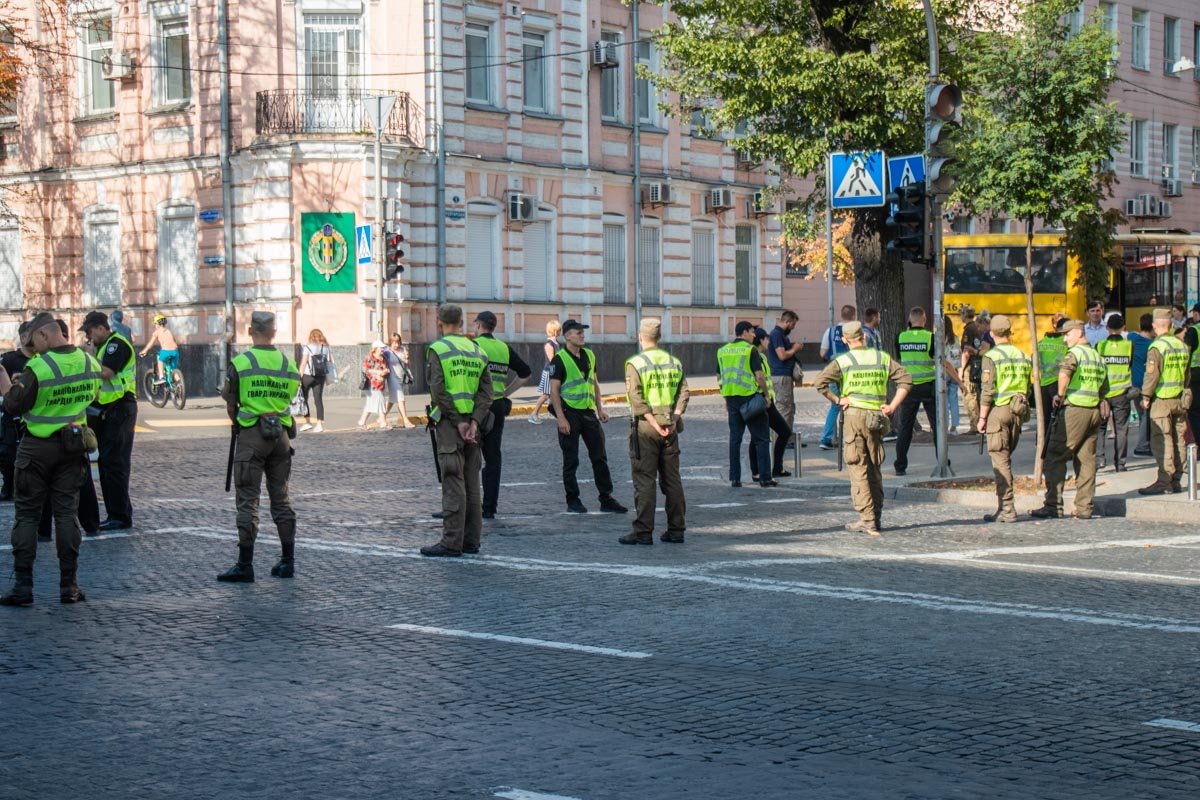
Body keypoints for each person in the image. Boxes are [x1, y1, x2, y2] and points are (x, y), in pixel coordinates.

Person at [0, 312, 101, 606]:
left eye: (34, 343)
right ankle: (69, 586)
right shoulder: (88, 361)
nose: (32, 349)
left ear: (45, 335)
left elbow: (14, 405)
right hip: (73, 446)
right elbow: (91, 395)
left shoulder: (39, 367)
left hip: (37, 448)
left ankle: (23, 587)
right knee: (67, 514)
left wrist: (9, 387)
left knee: (28, 515)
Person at [217, 311, 301, 582]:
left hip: (252, 436)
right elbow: (289, 396)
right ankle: (287, 561)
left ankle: (245, 565)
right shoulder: (288, 365)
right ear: (274, 333)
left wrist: (241, 422)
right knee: (281, 499)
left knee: (248, 501)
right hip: (281, 437)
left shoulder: (241, 363)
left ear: (251, 331)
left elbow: (231, 403)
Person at [814, 321, 912, 535]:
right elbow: (906, 380)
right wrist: (892, 406)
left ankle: (867, 519)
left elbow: (820, 383)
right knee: (875, 468)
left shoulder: (843, 360)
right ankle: (876, 516)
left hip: (854, 417)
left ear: (844, 340)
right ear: (864, 337)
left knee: (858, 466)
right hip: (877, 417)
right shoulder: (881, 357)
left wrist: (838, 399)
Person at [420, 304, 492, 557]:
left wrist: (459, 422)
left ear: (439, 321)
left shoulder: (438, 349)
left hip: (451, 426)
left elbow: (438, 390)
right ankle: (471, 541)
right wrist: (474, 421)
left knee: (454, 482)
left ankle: (451, 542)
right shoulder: (476, 350)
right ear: (462, 322)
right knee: (472, 486)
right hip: (474, 427)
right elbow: (486, 393)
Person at [620, 318, 690, 545]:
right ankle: (677, 530)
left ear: (640, 337)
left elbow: (636, 400)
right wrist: (673, 419)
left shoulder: (635, 363)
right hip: (671, 427)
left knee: (645, 480)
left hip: (646, 428)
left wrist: (655, 423)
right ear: (659, 337)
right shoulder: (674, 361)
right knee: (672, 481)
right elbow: (684, 394)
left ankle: (643, 532)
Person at [1032, 320, 1109, 520]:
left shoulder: (1075, 354)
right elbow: (1104, 386)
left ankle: (1053, 505)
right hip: (1093, 411)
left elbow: (1064, 374)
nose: (1065, 338)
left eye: (1067, 334)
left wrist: (1059, 395)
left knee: (1054, 454)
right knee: (1086, 460)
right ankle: (1084, 508)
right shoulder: (1096, 356)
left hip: (1075, 409)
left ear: (1078, 333)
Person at [549, 320, 627, 513]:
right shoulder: (559, 359)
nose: (582, 335)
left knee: (599, 457)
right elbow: (554, 391)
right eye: (578, 333)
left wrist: (600, 409)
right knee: (571, 460)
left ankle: (606, 498)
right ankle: (573, 500)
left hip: (588, 413)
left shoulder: (590, 355)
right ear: (567, 336)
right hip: (569, 413)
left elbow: (594, 383)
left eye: (582, 332)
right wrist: (561, 418)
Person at [79, 311, 137, 531]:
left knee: (115, 464)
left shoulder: (116, 345)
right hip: (106, 411)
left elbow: (107, 372)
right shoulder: (102, 347)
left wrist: (89, 358)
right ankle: (117, 513)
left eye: (89, 331)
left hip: (120, 409)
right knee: (107, 463)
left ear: (102, 328)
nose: (88, 336)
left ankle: (120, 516)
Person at [473, 310, 532, 519]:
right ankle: (489, 507)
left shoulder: (475, 346)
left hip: (477, 407)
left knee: (469, 456)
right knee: (493, 457)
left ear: (478, 326)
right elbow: (526, 373)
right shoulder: (503, 348)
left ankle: (466, 505)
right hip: (497, 405)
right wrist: (506, 392)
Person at [893, 307, 964, 476]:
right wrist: (960, 383)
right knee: (937, 426)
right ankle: (942, 460)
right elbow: (944, 363)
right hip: (928, 387)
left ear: (910, 320)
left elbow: (900, 360)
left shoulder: (900, 338)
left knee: (905, 428)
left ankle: (900, 466)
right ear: (924, 321)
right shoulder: (931, 338)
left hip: (908, 388)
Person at [976, 315, 1031, 523]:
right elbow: (1029, 386)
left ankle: (1007, 508)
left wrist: (981, 418)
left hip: (999, 410)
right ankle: (1003, 507)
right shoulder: (1023, 355)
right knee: (1006, 457)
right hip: (1018, 410)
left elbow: (987, 390)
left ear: (991, 333)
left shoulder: (991, 356)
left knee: (1000, 460)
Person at [1137, 308, 1191, 495]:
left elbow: (1152, 375)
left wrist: (1145, 396)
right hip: (1179, 400)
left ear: (1154, 325)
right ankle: (1176, 480)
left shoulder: (1157, 347)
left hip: (1161, 400)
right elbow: (1187, 375)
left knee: (1162, 440)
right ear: (1170, 325)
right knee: (1179, 441)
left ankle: (1164, 480)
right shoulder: (1181, 345)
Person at [719, 321, 773, 488]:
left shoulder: (722, 351)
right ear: (744, 332)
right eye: (751, 332)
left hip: (732, 400)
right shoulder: (750, 350)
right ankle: (765, 478)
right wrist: (766, 395)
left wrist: (726, 399)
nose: (754, 335)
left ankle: (735, 478)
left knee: (735, 440)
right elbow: (759, 376)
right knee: (762, 439)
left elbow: (720, 378)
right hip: (750, 399)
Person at [0, 320, 36, 501]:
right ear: (23, 337)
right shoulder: (8, 360)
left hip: (35, 415)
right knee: (8, 455)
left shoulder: (43, 360)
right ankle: (9, 487)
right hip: (11, 417)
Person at [751, 328, 791, 480]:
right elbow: (760, 378)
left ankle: (773, 469)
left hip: (768, 400)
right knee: (761, 436)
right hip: (762, 399)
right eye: (766, 339)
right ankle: (760, 471)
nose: (768, 342)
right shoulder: (755, 355)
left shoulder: (761, 356)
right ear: (761, 340)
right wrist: (766, 396)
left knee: (763, 435)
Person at [1096, 314, 1133, 472]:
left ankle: (1100, 460)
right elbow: (1130, 364)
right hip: (1122, 393)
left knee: (1100, 428)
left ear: (1107, 328)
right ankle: (1120, 463)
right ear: (1123, 327)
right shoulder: (1129, 345)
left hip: (1104, 394)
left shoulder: (1100, 346)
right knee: (1121, 429)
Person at [818, 305, 857, 450]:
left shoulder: (830, 331)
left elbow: (822, 353)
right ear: (853, 315)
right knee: (853, 403)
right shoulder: (855, 331)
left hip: (835, 371)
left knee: (835, 405)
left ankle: (826, 438)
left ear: (841, 315)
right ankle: (850, 438)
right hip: (851, 372)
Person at [767, 310, 802, 452]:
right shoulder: (777, 334)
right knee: (784, 409)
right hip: (781, 376)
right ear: (787, 321)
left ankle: (787, 438)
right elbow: (782, 355)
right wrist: (795, 349)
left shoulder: (780, 335)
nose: (792, 328)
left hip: (784, 376)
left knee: (789, 408)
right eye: (792, 325)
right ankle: (782, 439)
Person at [1036, 312, 1068, 442]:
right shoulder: (1066, 343)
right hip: (1058, 382)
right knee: (1059, 417)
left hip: (1043, 383)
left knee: (1044, 417)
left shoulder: (1041, 342)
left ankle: (1042, 443)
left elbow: (1036, 362)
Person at [298, 329, 332, 433]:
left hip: (308, 376)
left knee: (304, 398)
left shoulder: (307, 347)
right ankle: (319, 425)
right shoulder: (326, 348)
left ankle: (307, 422)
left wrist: (299, 377)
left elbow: (303, 363)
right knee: (318, 400)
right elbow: (329, 361)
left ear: (311, 337)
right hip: (320, 376)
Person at [1130, 313, 1154, 457]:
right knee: (1146, 415)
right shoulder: (1152, 345)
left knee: (1141, 415)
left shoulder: (1132, 338)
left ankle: (1144, 442)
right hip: (1145, 385)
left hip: (1133, 384)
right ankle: (1143, 445)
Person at [529, 320, 561, 424]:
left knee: (554, 394)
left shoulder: (555, 343)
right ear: (555, 330)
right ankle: (534, 414)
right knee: (546, 395)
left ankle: (559, 414)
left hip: (554, 372)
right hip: (549, 372)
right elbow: (552, 360)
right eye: (559, 329)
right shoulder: (549, 343)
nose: (560, 331)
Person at [384, 332, 416, 429]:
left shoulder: (402, 350)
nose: (396, 345)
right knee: (401, 399)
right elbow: (381, 361)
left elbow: (408, 363)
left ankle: (382, 416)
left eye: (398, 342)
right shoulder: (387, 352)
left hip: (400, 378)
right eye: (394, 342)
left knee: (392, 400)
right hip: (392, 378)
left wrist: (407, 358)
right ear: (390, 342)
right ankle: (406, 421)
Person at [356, 340, 389, 430]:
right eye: (381, 348)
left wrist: (385, 372)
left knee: (370, 405)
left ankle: (361, 422)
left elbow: (386, 369)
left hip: (381, 384)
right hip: (372, 384)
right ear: (375, 349)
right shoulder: (369, 358)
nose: (383, 349)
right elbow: (365, 370)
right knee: (381, 401)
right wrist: (377, 373)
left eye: (383, 348)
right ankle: (383, 423)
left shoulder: (384, 358)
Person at [138, 314, 179, 385]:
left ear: (158, 324)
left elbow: (151, 343)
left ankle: (161, 377)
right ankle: (179, 384)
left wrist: (144, 351)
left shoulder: (157, 332)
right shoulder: (169, 331)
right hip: (175, 352)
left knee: (160, 361)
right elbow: (174, 341)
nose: (155, 326)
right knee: (173, 370)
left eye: (155, 324)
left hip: (165, 351)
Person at [943, 315, 962, 434]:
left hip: (943, 372)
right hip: (954, 371)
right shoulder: (955, 339)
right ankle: (954, 427)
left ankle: (944, 426)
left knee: (943, 400)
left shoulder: (939, 339)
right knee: (953, 400)